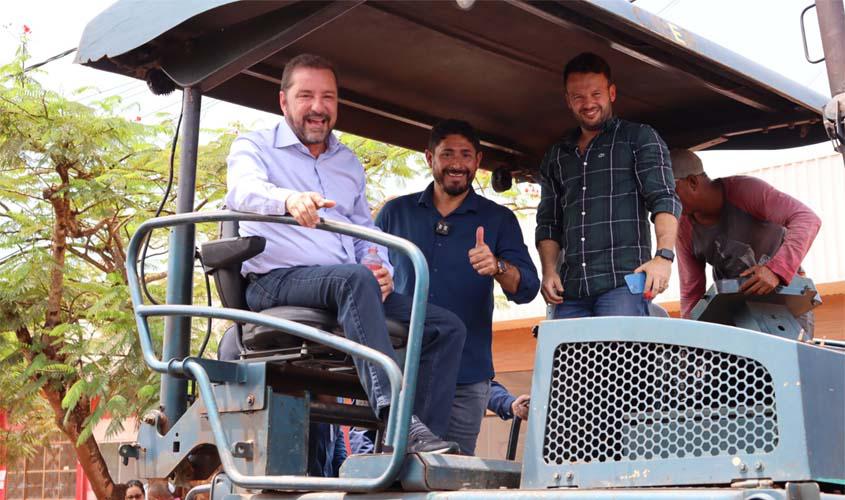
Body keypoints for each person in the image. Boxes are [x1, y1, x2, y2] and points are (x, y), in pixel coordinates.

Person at [225, 53, 466, 454]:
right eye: (306, 96)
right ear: (284, 102)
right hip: (276, 282)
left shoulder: (347, 163)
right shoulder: (255, 146)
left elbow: (363, 232)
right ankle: (396, 419)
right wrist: (287, 200)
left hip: (342, 287)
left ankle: (414, 449)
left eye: (328, 97)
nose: (318, 107)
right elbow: (242, 191)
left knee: (446, 326)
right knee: (352, 280)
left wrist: (378, 264)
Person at [375, 119, 540, 455]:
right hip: (403, 372)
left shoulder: (498, 219)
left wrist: (497, 266)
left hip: (467, 377)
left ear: (478, 160)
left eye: (466, 155)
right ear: (429, 157)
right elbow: (367, 270)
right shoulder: (395, 213)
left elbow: (527, 288)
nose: (457, 163)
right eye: (447, 153)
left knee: (453, 474)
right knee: (393, 474)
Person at [535, 52, 682, 318]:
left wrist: (663, 258)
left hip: (623, 285)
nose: (588, 103)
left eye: (596, 94)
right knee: (569, 360)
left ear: (611, 93)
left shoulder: (638, 138)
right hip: (570, 291)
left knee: (620, 359)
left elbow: (664, 199)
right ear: (568, 100)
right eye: (578, 96)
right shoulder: (556, 155)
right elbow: (548, 222)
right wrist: (548, 271)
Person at [671, 149, 821, 335]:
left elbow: (807, 219)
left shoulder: (746, 192)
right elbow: (691, 293)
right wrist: (689, 338)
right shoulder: (682, 229)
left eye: (669, 191)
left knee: (792, 360)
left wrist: (775, 270)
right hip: (735, 315)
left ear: (692, 182)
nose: (663, 201)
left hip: (785, 305)